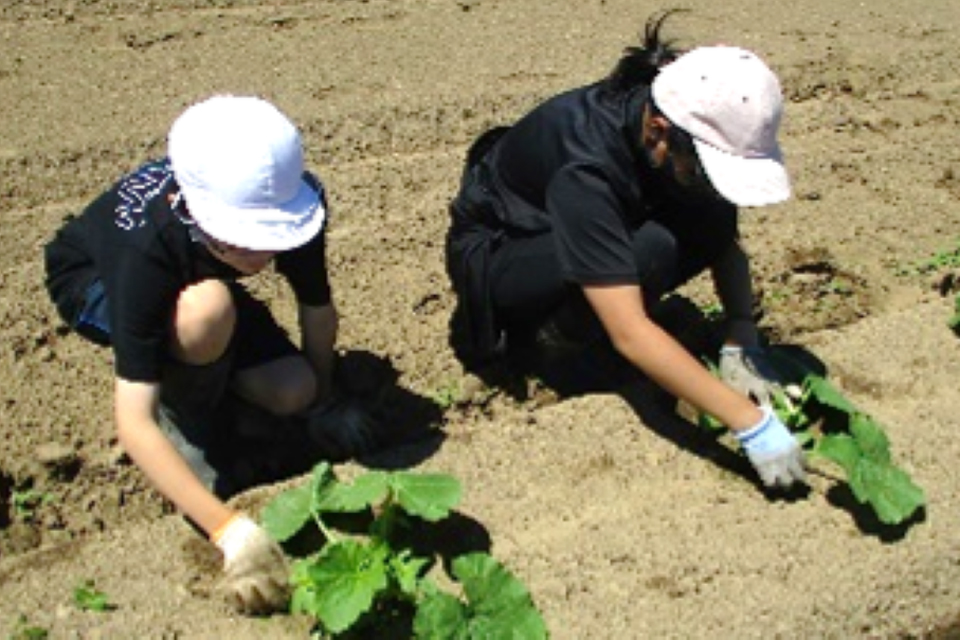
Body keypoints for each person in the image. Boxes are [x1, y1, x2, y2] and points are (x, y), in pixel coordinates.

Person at [445, 12, 806, 489]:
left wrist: (742, 334)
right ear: (657, 132)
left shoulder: (676, 124)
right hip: (505, 254)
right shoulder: (586, 168)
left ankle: (592, 307)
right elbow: (630, 331)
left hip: (577, 229)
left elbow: (722, 237)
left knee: (697, 216)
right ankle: (552, 344)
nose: (707, 182)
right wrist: (750, 423)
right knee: (651, 250)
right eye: (703, 167)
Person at [43, 95, 370, 614]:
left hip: (197, 279)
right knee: (205, 314)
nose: (261, 254)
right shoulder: (145, 249)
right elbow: (133, 419)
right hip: (96, 282)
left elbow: (317, 309)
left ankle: (215, 369)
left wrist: (321, 402)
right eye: (243, 240)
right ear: (200, 214)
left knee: (293, 388)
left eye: (271, 236)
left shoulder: (293, 199)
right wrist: (229, 530)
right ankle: (190, 419)